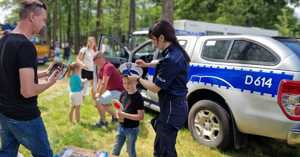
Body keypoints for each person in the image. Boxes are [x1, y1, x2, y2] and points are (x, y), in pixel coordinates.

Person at [0, 1, 61, 156]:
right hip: (24, 117)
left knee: (7, 152)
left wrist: (45, 73)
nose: (44, 24)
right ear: (33, 17)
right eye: (43, 19)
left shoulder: (4, 41)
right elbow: (27, 91)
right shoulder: (25, 46)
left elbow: (10, 75)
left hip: (4, 114)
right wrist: (50, 82)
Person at [128, 20, 190, 157]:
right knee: (165, 146)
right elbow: (161, 63)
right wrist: (147, 64)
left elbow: (155, 88)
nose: (152, 43)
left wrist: (137, 79)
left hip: (172, 110)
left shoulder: (172, 58)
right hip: (175, 108)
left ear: (161, 38)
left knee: (163, 151)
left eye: (153, 40)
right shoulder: (175, 51)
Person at [111, 76, 144, 157]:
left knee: (130, 150)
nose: (126, 85)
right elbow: (119, 107)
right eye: (124, 83)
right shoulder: (123, 93)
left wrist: (124, 115)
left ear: (136, 82)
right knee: (116, 148)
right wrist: (117, 114)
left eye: (129, 83)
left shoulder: (138, 97)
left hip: (132, 129)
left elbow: (140, 116)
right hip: (121, 126)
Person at [93, 52, 124, 127]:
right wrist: (96, 93)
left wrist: (99, 95)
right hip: (113, 91)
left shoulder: (108, 66)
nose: (96, 65)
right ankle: (115, 117)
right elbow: (99, 83)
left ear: (100, 59)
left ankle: (103, 121)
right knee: (101, 103)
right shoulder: (101, 69)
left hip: (119, 91)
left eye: (96, 62)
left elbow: (104, 83)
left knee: (98, 101)